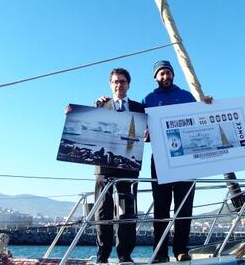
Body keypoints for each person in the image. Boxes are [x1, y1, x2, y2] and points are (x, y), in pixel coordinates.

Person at [68, 68, 144, 264]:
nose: (119, 85)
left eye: (123, 81)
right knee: (103, 211)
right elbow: (85, 125)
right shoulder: (100, 106)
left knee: (127, 212)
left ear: (129, 84)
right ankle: (102, 255)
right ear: (111, 84)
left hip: (128, 166)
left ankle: (125, 254)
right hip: (104, 166)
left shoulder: (139, 108)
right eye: (116, 81)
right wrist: (71, 114)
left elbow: (148, 134)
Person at [143, 60, 212, 263]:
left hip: (187, 159)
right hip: (160, 159)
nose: (165, 76)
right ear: (156, 77)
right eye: (161, 74)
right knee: (161, 208)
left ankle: (181, 250)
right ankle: (160, 252)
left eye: (168, 73)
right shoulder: (148, 99)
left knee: (184, 207)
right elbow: (140, 128)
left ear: (173, 75)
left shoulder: (186, 96)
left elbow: (201, 119)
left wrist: (209, 105)